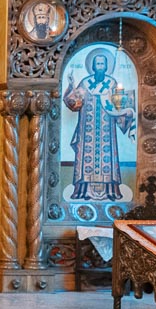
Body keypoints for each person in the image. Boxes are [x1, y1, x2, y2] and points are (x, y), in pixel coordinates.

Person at [63, 48, 136, 201]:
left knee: (107, 156)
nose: (100, 66)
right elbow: (74, 103)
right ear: (93, 66)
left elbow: (118, 104)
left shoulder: (111, 83)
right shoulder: (85, 83)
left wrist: (126, 112)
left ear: (107, 66)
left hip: (106, 130)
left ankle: (110, 191)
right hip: (86, 128)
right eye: (98, 64)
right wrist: (71, 86)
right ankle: (84, 191)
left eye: (103, 64)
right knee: (86, 156)